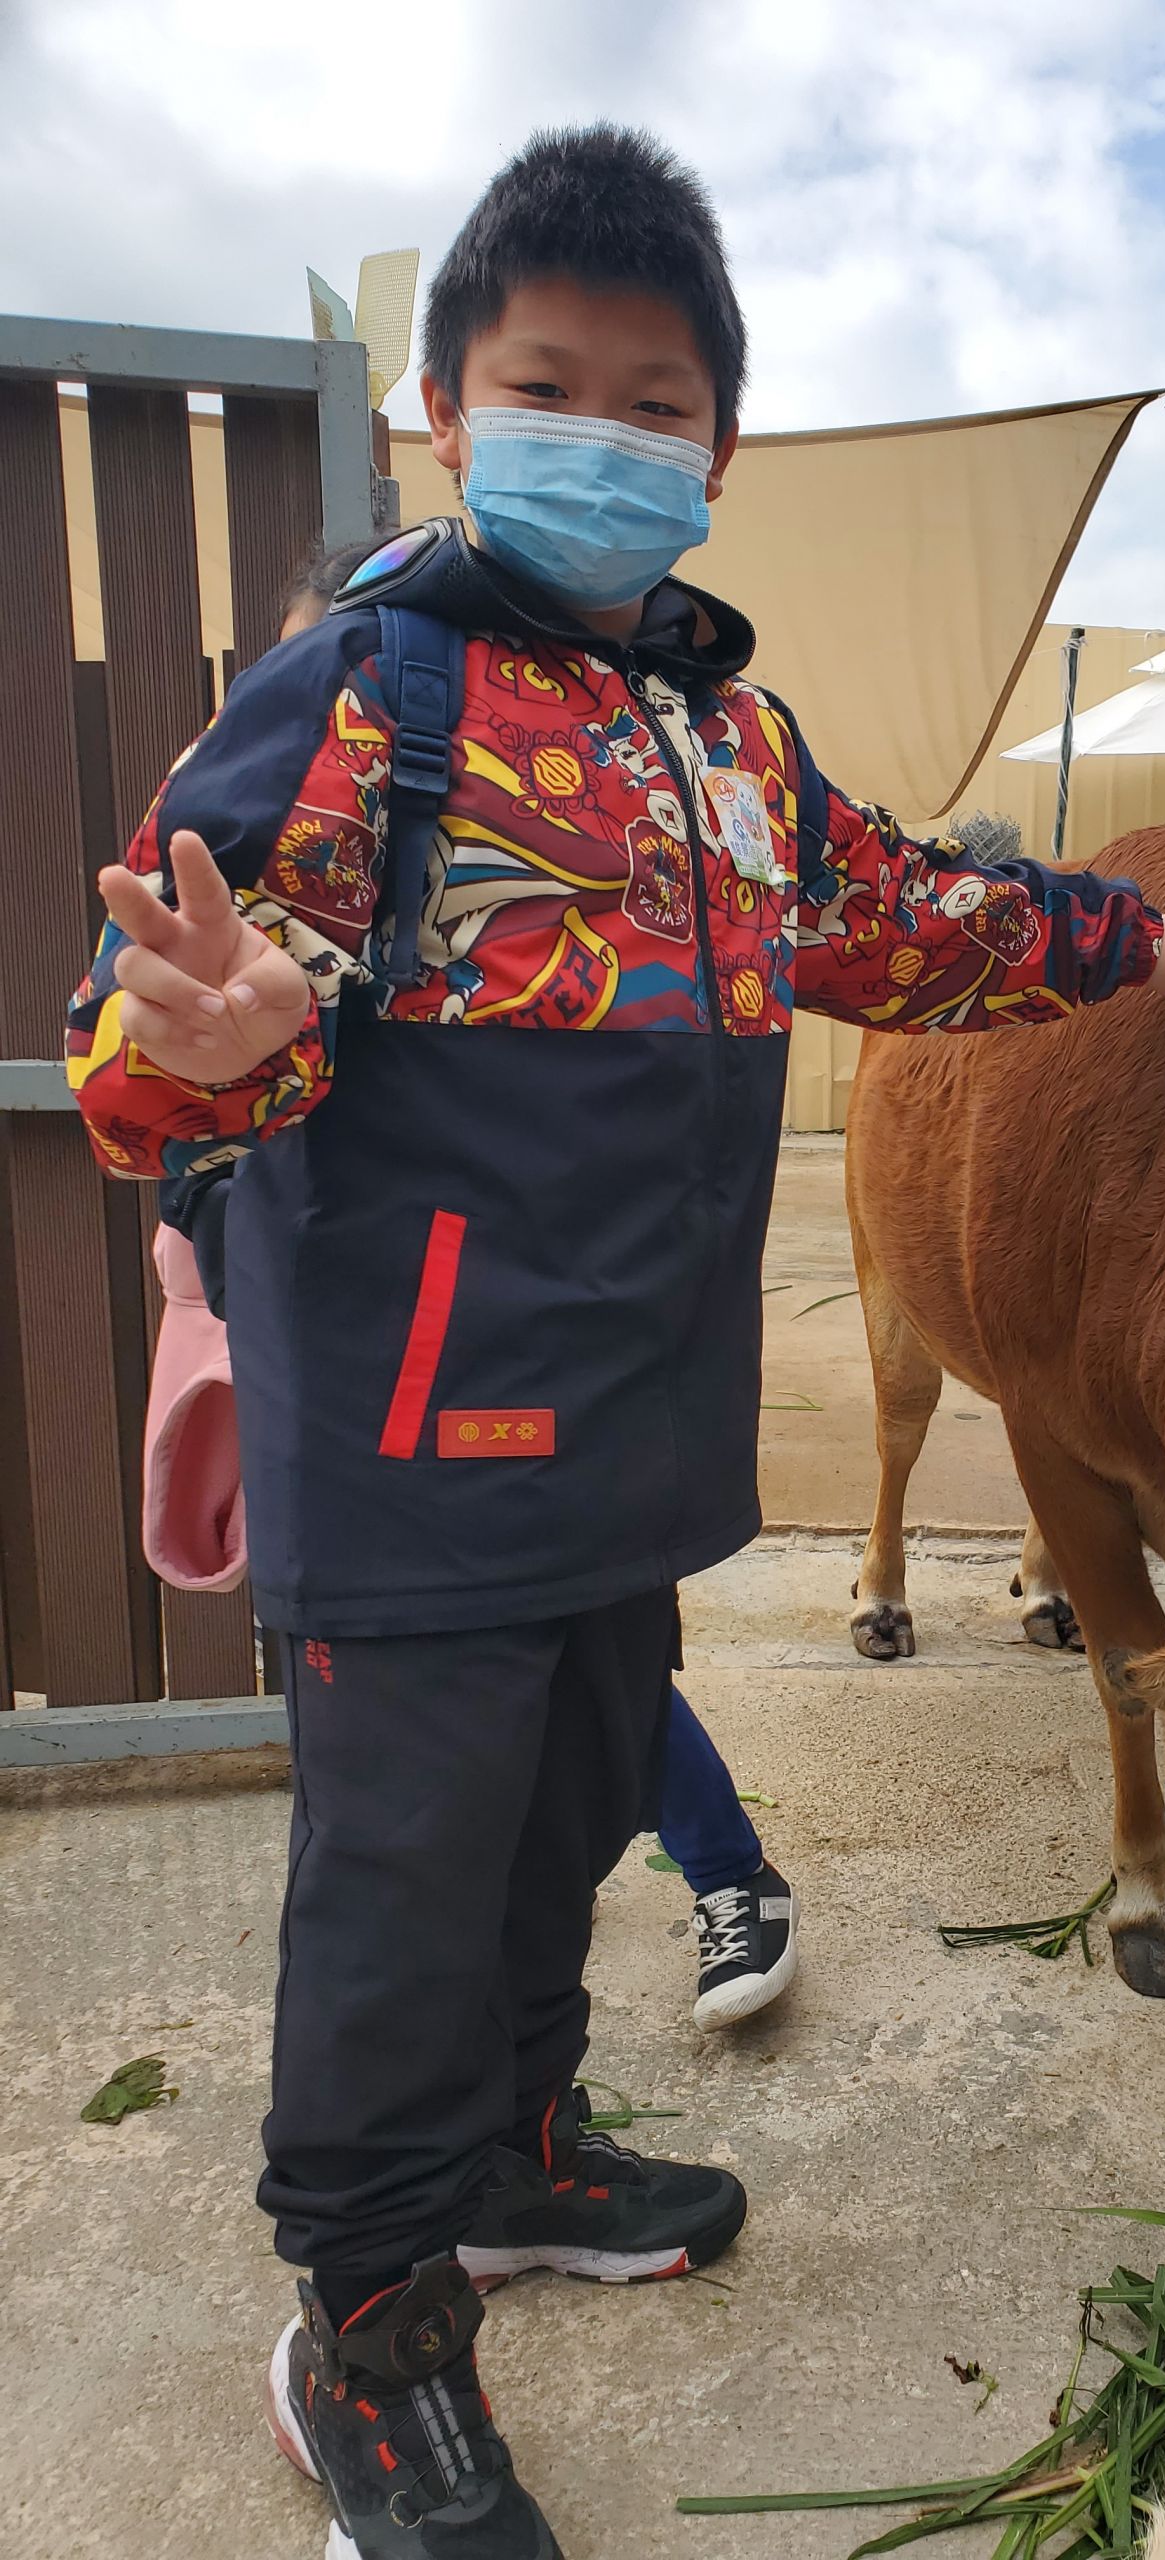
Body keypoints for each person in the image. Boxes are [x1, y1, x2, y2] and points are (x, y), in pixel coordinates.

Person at [67, 125, 1165, 2560]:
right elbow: (154, 1025)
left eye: (657, 405)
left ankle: (519, 2156)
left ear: (719, 449)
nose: (605, 438)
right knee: (402, 1896)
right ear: (447, 409)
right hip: (411, 1450)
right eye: (550, 388)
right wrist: (192, 1045)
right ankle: (368, 2325)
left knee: (564, 1827)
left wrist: (1133, 945)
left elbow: (901, 914)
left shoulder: (727, 747)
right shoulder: (366, 696)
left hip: (627, 1436)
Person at [149, 535, 794, 2036]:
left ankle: (697, 1905)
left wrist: (1136, 945)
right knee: (417, 1805)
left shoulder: (576, 807)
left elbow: (855, 918)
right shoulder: (249, 816)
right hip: (361, 1385)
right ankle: (420, 2165)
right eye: (308, 675)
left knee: (576, 1690)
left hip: (543, 1383)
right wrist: (206, 1110)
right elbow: (144, 1053)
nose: (335, 711)